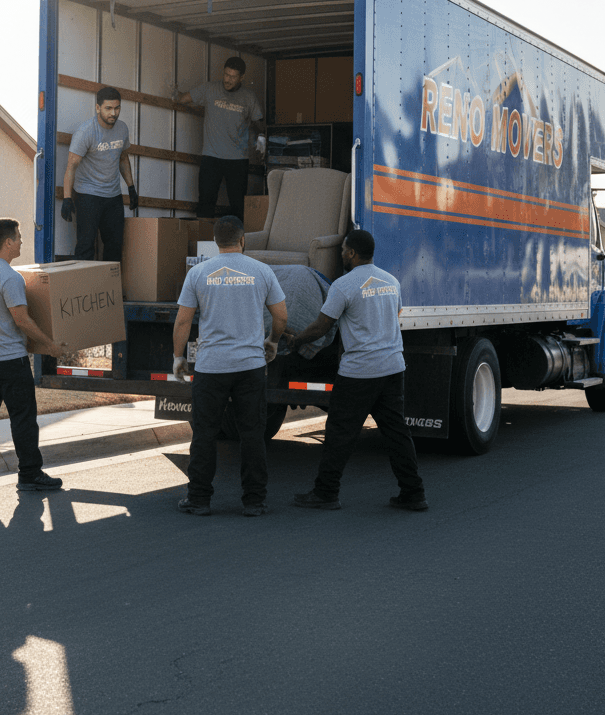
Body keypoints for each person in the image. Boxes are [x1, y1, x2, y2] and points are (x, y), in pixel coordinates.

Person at [287, 228, 428, 511]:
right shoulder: (391, 281)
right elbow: (394, 313)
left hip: (359, 372)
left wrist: (296, 340)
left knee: (340, 433)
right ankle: (414, 493)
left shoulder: (344, 285)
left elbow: (322, 326)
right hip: (392, 368)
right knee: (396, 433)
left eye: (342, 251)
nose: (341, 255)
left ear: (352, 253)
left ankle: (326, 492)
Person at [172, 215, 287, 516]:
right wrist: (272, 341)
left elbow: (184, 320)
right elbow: (281, 316)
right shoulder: (262, 271)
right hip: (250, 366)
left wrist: (178, 357)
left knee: (205, 434)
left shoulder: (199, 273)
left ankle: (199, 499)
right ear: (243, 239)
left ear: (215, 242)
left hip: (211, 367)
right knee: (252, 434)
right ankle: (254, 501)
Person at [0, 217, 68, 493]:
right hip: (8, 358)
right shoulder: (10, 277)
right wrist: (50, 345)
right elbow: (22, 320)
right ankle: (30, 473)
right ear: (8, 242)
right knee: (23, 417)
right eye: (19, 237)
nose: (22, 241)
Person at [174, 57, 264, 223]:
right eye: (226, 74)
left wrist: (263, 140)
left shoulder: (249, 97)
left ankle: (236, 244)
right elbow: (183, 98)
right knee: (206, 202)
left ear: (242, 78)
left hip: (238, 159)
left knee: (237, 206)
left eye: (233, 76)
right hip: (211, 156)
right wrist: (174, 92)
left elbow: (259, 123)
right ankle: (202, 243)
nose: (228, 80)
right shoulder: (209, 88)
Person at [60, 87, 137, 262]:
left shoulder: (122, 129)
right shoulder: (85, 132)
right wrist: (67, 198)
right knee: (86, 245)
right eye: (108, 108)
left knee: (115, 245)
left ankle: (109, 286)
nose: (113, 113)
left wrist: (131, 187)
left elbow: (123, 159)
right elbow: (71, 166)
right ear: (97, 108)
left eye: (117, 108)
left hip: (113, 195)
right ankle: (84, 287)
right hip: (88, 195)